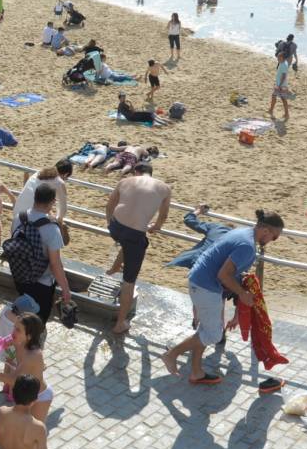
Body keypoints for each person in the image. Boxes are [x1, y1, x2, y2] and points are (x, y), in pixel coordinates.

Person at [162, 210, 285, 384]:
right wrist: (242, 294)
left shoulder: (242, 231)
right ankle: (172, 354)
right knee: (214, 335)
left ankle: (196, 372)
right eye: (275, 237)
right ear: (266, 231)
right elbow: (223, 275)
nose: (273, 241)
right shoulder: (247, 246)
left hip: (198, 280)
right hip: (206, 287)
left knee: (205, 330)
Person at [106, 163, 172, 334]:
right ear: (151, 173)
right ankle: (120, 323)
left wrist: (109, 223)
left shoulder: (124, 181)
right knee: (129, 282)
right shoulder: (165, 188)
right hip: (135, 234)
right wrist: (155, 227)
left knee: (128, 243)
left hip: (116, 227)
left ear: (136, 172)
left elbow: (110, 205)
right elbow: (163, 215)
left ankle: (115, 267)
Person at [0, 312, 51, 420]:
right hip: (25, 394)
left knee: (33, 429)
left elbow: (13, 380)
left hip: (40, 397)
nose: (13, 331)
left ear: (29, 336)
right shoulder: (18, 340)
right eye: (14, 327)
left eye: (18, 330)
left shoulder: (33, 355)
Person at [12, 184, 72, 323]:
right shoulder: (51, 228)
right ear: (52, 202)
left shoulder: (19, 218)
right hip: (42, 282)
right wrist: (66, 289)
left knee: (24, 312)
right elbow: (55, 264)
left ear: (35, 197)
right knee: (38, 320)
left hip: (20, 275)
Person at [268, 52, 292, 120]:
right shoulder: (283, 63)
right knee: (277, 97)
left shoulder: (283, 65)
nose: (277, 58)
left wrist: (279, 86)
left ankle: (285, 114)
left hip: (281, 86)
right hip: (280, 85)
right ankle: (285, 113)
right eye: (277, 57)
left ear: (282, 58)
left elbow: (284, 76)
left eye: (279, 57)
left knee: (279, 98)